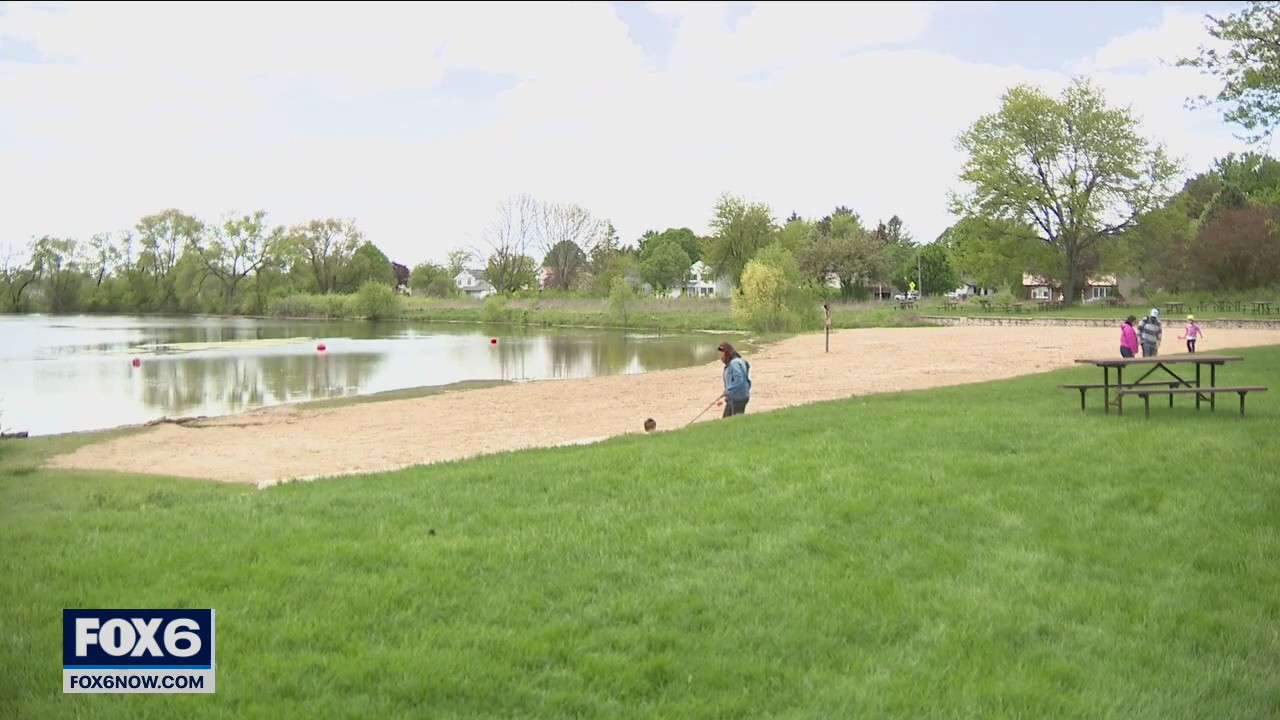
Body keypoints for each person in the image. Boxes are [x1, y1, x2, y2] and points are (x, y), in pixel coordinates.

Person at [717, 342, 751, 417]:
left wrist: (728, 390)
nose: (721, 357)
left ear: (727, 353)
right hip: (735, 397)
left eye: (722, 354)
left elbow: (739, 379)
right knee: (727, 419)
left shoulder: (734, 363)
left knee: (732, 420)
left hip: (738, 398)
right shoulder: (737, 362)